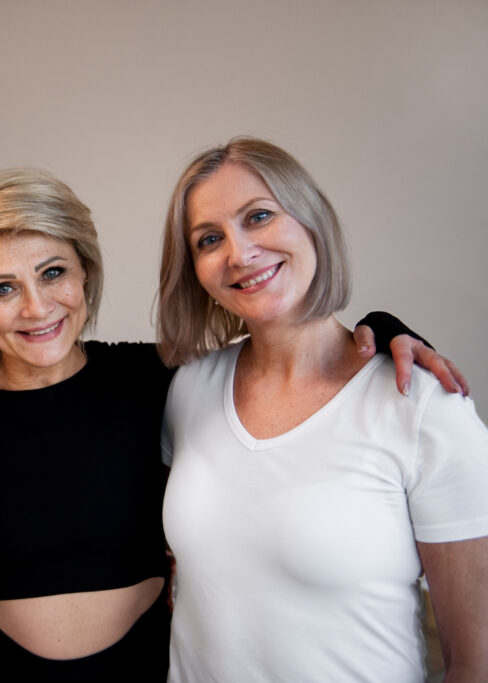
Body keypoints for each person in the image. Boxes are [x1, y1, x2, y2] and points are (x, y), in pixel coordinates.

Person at [0, 167, 468, 682]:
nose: (37, 307)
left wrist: (383, 331)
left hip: (146, 668)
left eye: (53, 273)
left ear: (84, 271)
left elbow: (284, 346)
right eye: (2, 288)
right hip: (1, 671)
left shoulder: (159, 378)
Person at [157, 137, 488, 682]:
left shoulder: (424, 407)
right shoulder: (189, 389)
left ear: (312, 220)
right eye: (209, 239)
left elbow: (475, 663)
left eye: (259, 216)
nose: (238, 253)